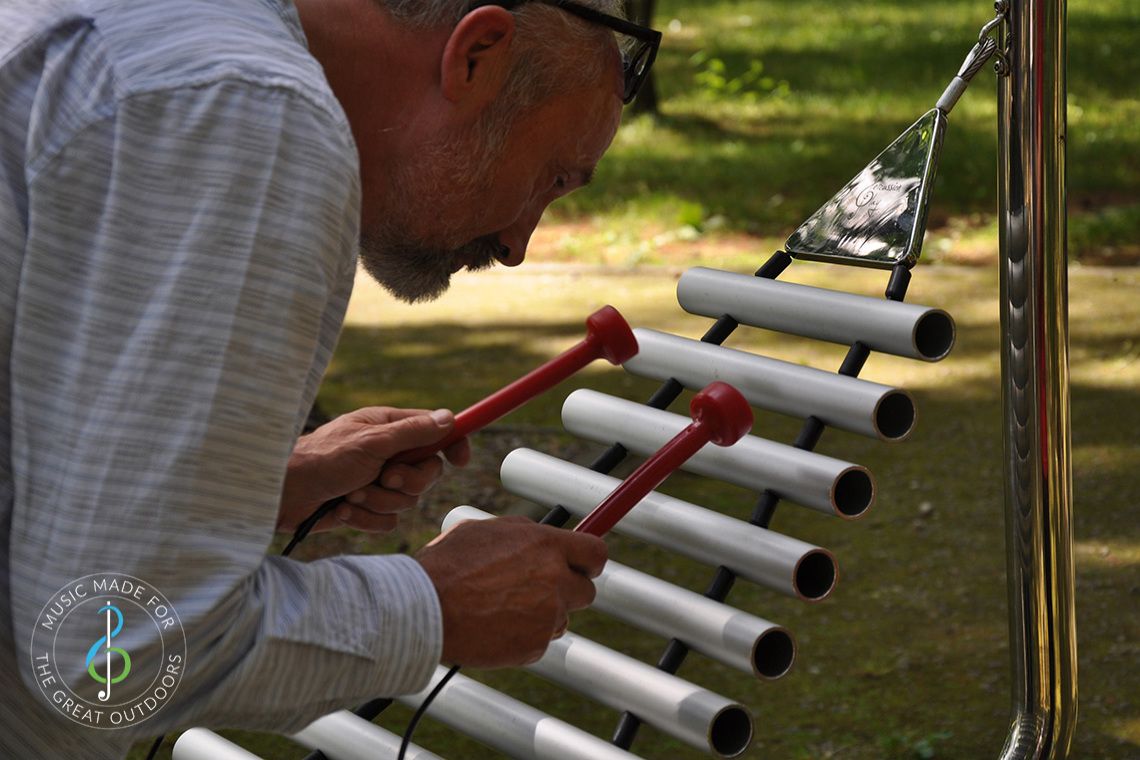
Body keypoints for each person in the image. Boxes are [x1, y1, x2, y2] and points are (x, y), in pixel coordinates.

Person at [0, 0, 659, 756]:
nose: (517, 243)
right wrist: (435, 606)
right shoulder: (253, 112)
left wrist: (244, 486)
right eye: (551, 178)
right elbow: (112, 657)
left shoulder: (157, 35)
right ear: (476, 54)